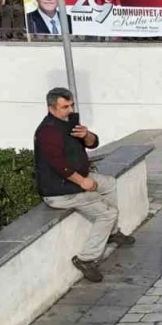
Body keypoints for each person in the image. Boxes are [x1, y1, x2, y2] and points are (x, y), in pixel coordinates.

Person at [34, 87, 135, 284]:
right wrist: (83, 182)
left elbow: (93, 143)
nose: (70, 110)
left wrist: (86, 135)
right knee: (107, 213)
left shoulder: (69, 121)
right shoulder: (48, 132)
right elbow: (58, 165)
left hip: (78, 178)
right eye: (65, 107)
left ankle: (112, 232)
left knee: (110, 184)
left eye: (71, 105)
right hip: (60, 190)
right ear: (51, 108)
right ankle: (86, 259)